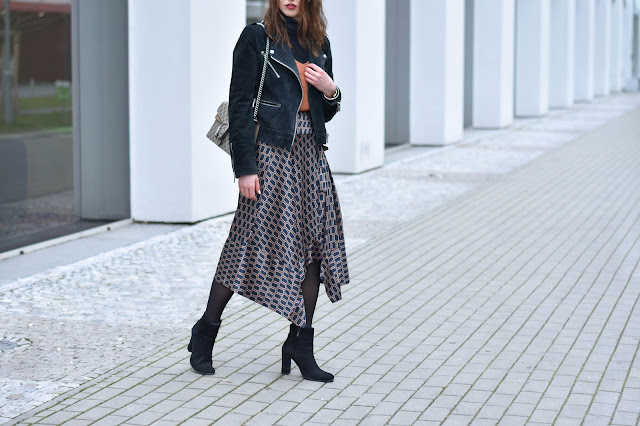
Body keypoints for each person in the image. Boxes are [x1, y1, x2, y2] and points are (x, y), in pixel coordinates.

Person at [188, 0, 350, 383]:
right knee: (246, 240)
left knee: (313, 245)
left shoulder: (320, 43)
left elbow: (324, 111)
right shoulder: (257, 38)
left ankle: (300, 345)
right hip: (271, 154)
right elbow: (241, 105)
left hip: (311, 153)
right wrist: (245, 167)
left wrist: (331, 91)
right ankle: (206, 331)